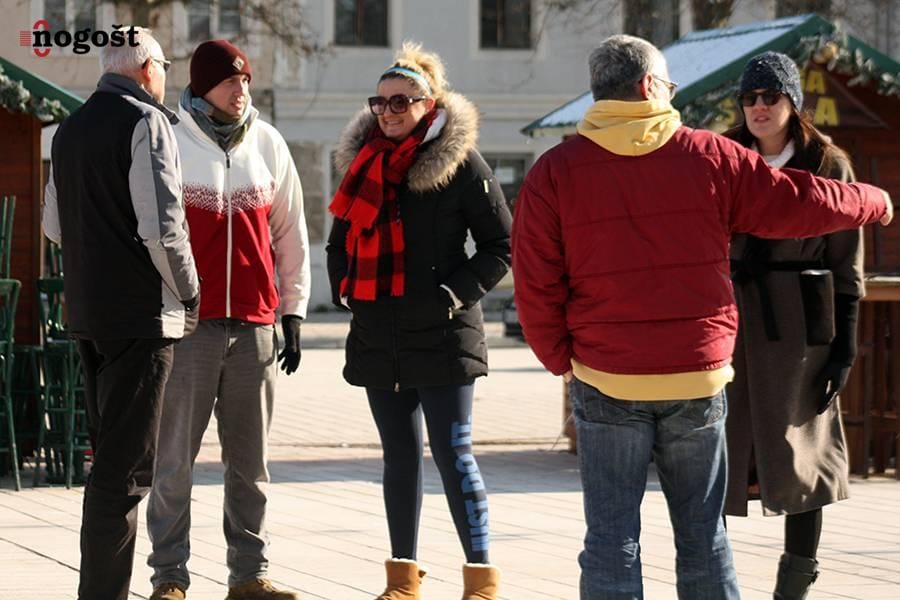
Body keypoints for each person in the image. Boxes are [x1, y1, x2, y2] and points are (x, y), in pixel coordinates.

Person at [511, 34, 893, 600]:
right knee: (702, 536)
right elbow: (798, 201)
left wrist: (559, 358)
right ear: (649, 86)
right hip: (696, 374)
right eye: (668, 85)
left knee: (611, 538)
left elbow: (535, 279)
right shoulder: (711, 157)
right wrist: (874, 201)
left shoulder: (554, 171)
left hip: (606, 376)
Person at [325, 41, 511, 600]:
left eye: (401, 101)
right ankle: (402, 579)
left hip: (444, 333)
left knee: (454, 456)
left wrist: (450, 295)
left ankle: (480, 579)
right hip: (379, 333)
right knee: (399, 458)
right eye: (380, 102)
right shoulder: (362, 164)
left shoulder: (460, 164)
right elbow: (338, 243)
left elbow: (501, 245)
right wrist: (347, 292)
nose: (389, 111)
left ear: (429, 105)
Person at [145, 40, 310, 600]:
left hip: (255, 325)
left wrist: (292, 311)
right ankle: (170, 577)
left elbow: (290, 231)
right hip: (188, 328)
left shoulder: (267, 143)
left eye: (245, 80)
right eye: (229, 81)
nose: (241, 90)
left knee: (250, 465)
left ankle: (249, 575)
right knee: (174, 463)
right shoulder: (169, 140)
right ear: (202, 86)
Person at [41, 26, 200, 600]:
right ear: (148, 68)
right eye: (164, 69)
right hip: (141, 317)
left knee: (109, 464)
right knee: (125, 473)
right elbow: (163, 228)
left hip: (88, 314)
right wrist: (190, 291)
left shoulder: (69, 127)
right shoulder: (147, 122)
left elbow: (53, 226)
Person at [724, 52, 861, 600]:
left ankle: (794, 585)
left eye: (771, 96)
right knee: (720, 454)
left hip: (803, 325)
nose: (759, 107)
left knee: (804, 459)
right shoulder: (725, 156)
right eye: (750, 98)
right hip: (732, 320)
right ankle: (712, 578)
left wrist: (844, 348)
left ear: (793, 102)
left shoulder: (828, 164)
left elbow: (846, 262)